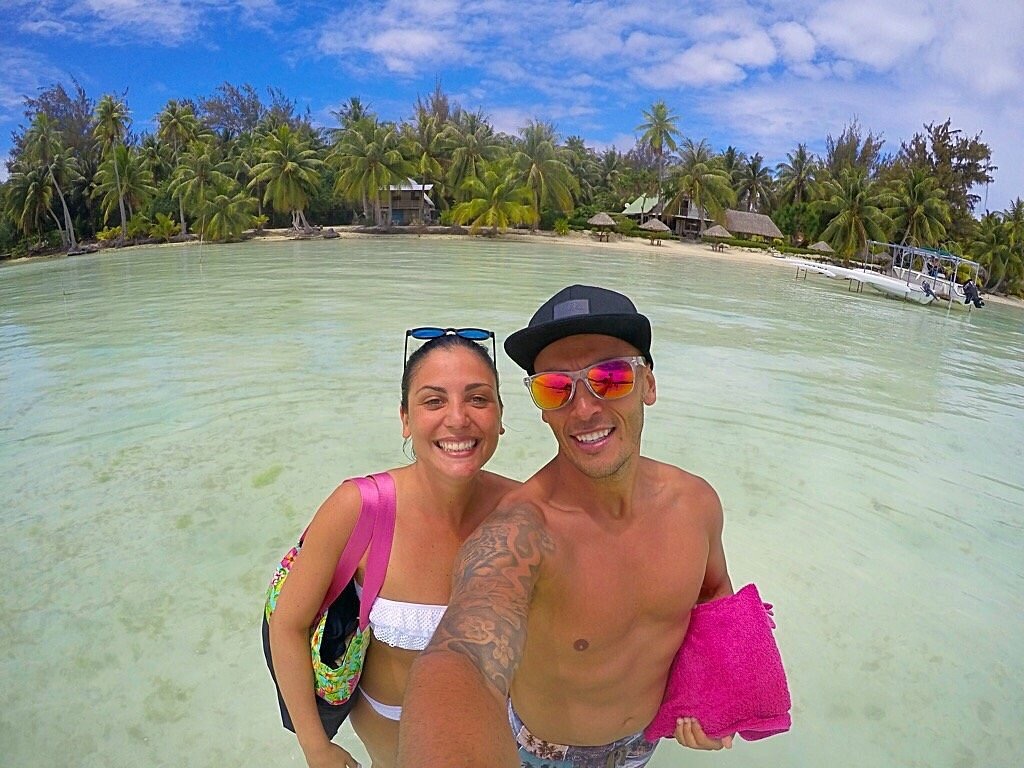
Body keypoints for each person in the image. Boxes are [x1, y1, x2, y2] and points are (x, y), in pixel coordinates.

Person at [398, 285, 734, 768]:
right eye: (556, 387)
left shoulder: (696, 504)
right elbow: (463, 657)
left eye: (612, 377)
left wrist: (707, 694)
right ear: (540, 405)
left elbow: (714, 591)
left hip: (645, 740)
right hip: (544, 754)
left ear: (649, 385)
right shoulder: (520, 532)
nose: (584, 408)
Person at [269, 328, 519, 768]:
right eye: (433, 401)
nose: (458, 418)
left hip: (495, 711)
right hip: (390, 716)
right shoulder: (359, 508)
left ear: (500, 415)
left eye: (478, 399)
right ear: (405, 418)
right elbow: (288, 625)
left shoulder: (526, 513)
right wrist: (315, 745)